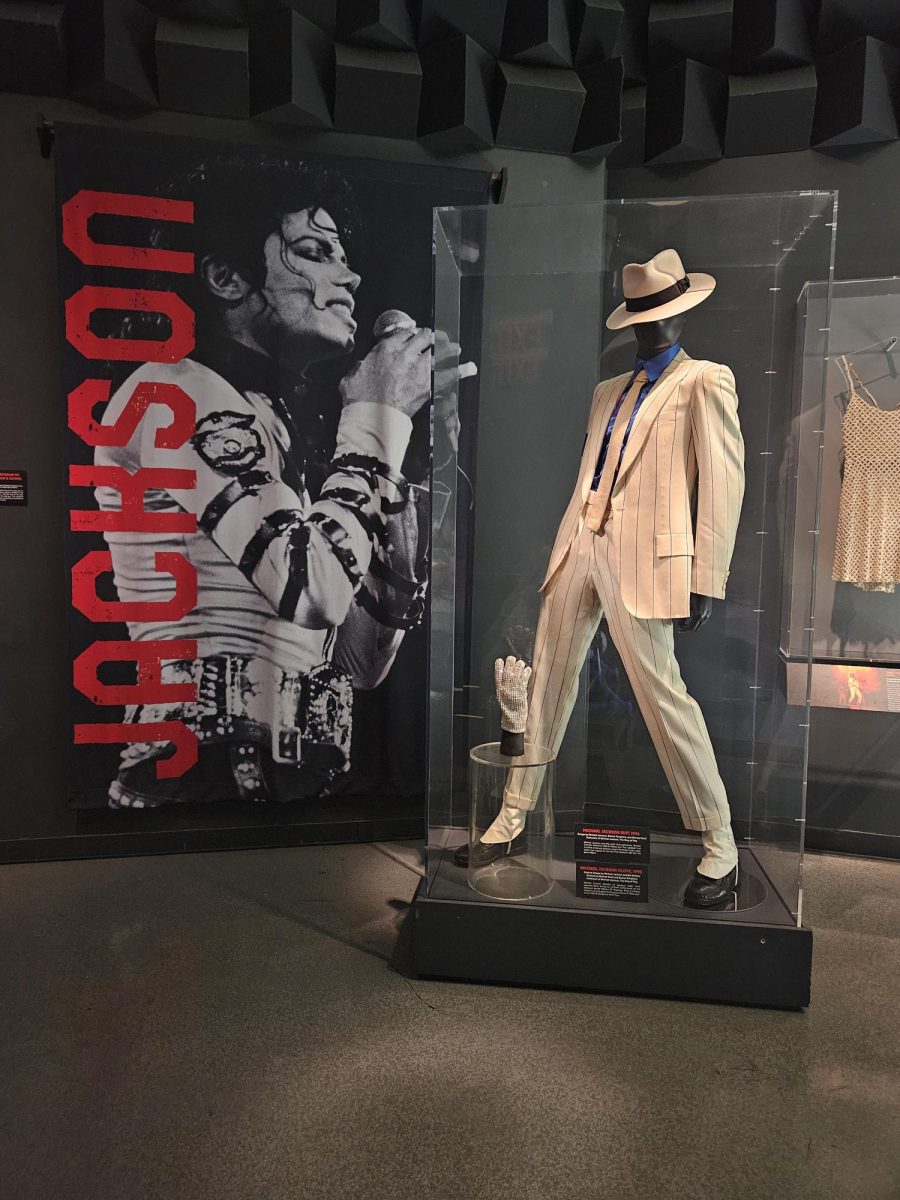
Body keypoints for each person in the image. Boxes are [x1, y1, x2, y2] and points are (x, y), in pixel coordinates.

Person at [94, 160, 455, 807]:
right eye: (314, 252)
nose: (350, 277)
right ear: (227, 278)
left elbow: (360, 664)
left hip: (270, 781)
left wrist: (400, 475)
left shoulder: (275, 421)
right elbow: (311, 589)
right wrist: (376, 418)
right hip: (194, 779)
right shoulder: (172, 390)